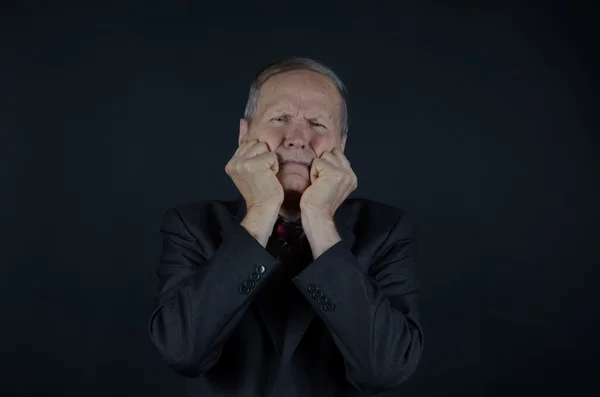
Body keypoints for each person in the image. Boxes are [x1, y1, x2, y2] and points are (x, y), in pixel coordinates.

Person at [148, 57, 424, 396]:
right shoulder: (191, 226)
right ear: (244, 134)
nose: (297, 138)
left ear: (343, 146)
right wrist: (262, 210)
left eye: (318, 124)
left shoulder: (386, 230)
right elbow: (183, 352)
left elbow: (385, 368)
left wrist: (321, 222)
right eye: (279, 119)